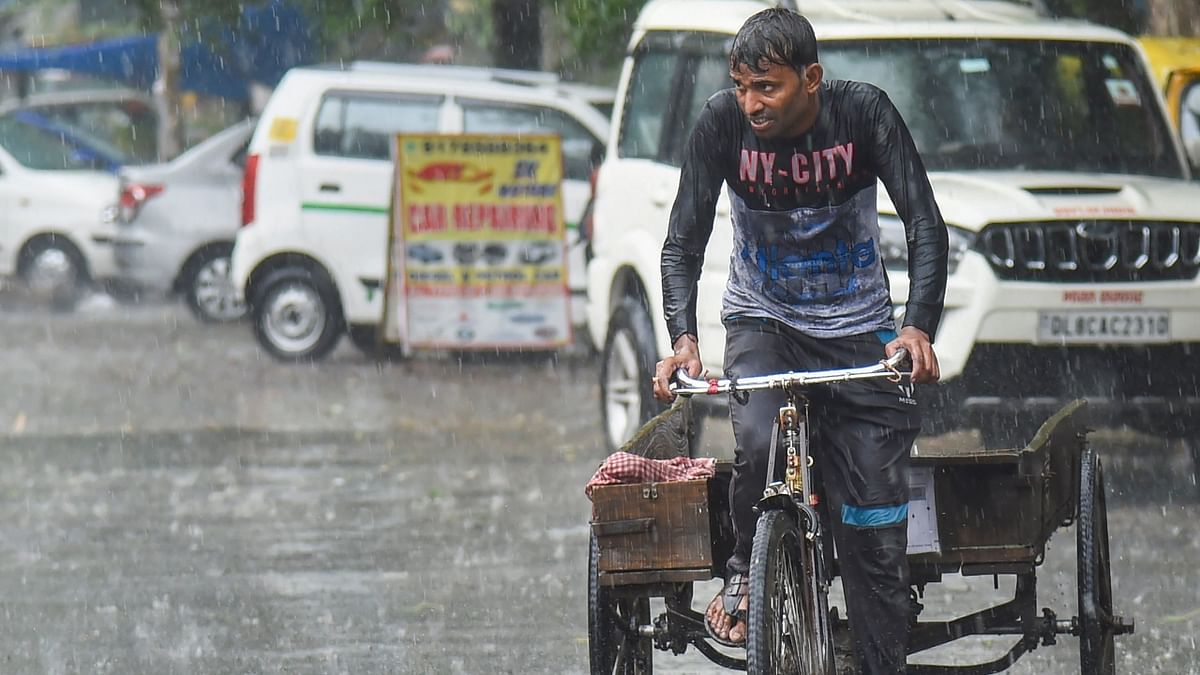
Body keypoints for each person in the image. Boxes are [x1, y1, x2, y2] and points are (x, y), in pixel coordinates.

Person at [650, 7, 948, 673]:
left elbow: (925, 222)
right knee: (756, 441)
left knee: (873, 528)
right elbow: (682, 241)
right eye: (742, 86)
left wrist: (917, 326)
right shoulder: (720, 124)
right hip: (765, 322)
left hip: (860, 334)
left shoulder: (863, 114)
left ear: (811, 78)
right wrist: (683, 339)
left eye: (768, 87)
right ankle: (745, 570)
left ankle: (878, 651)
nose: (751, 103)